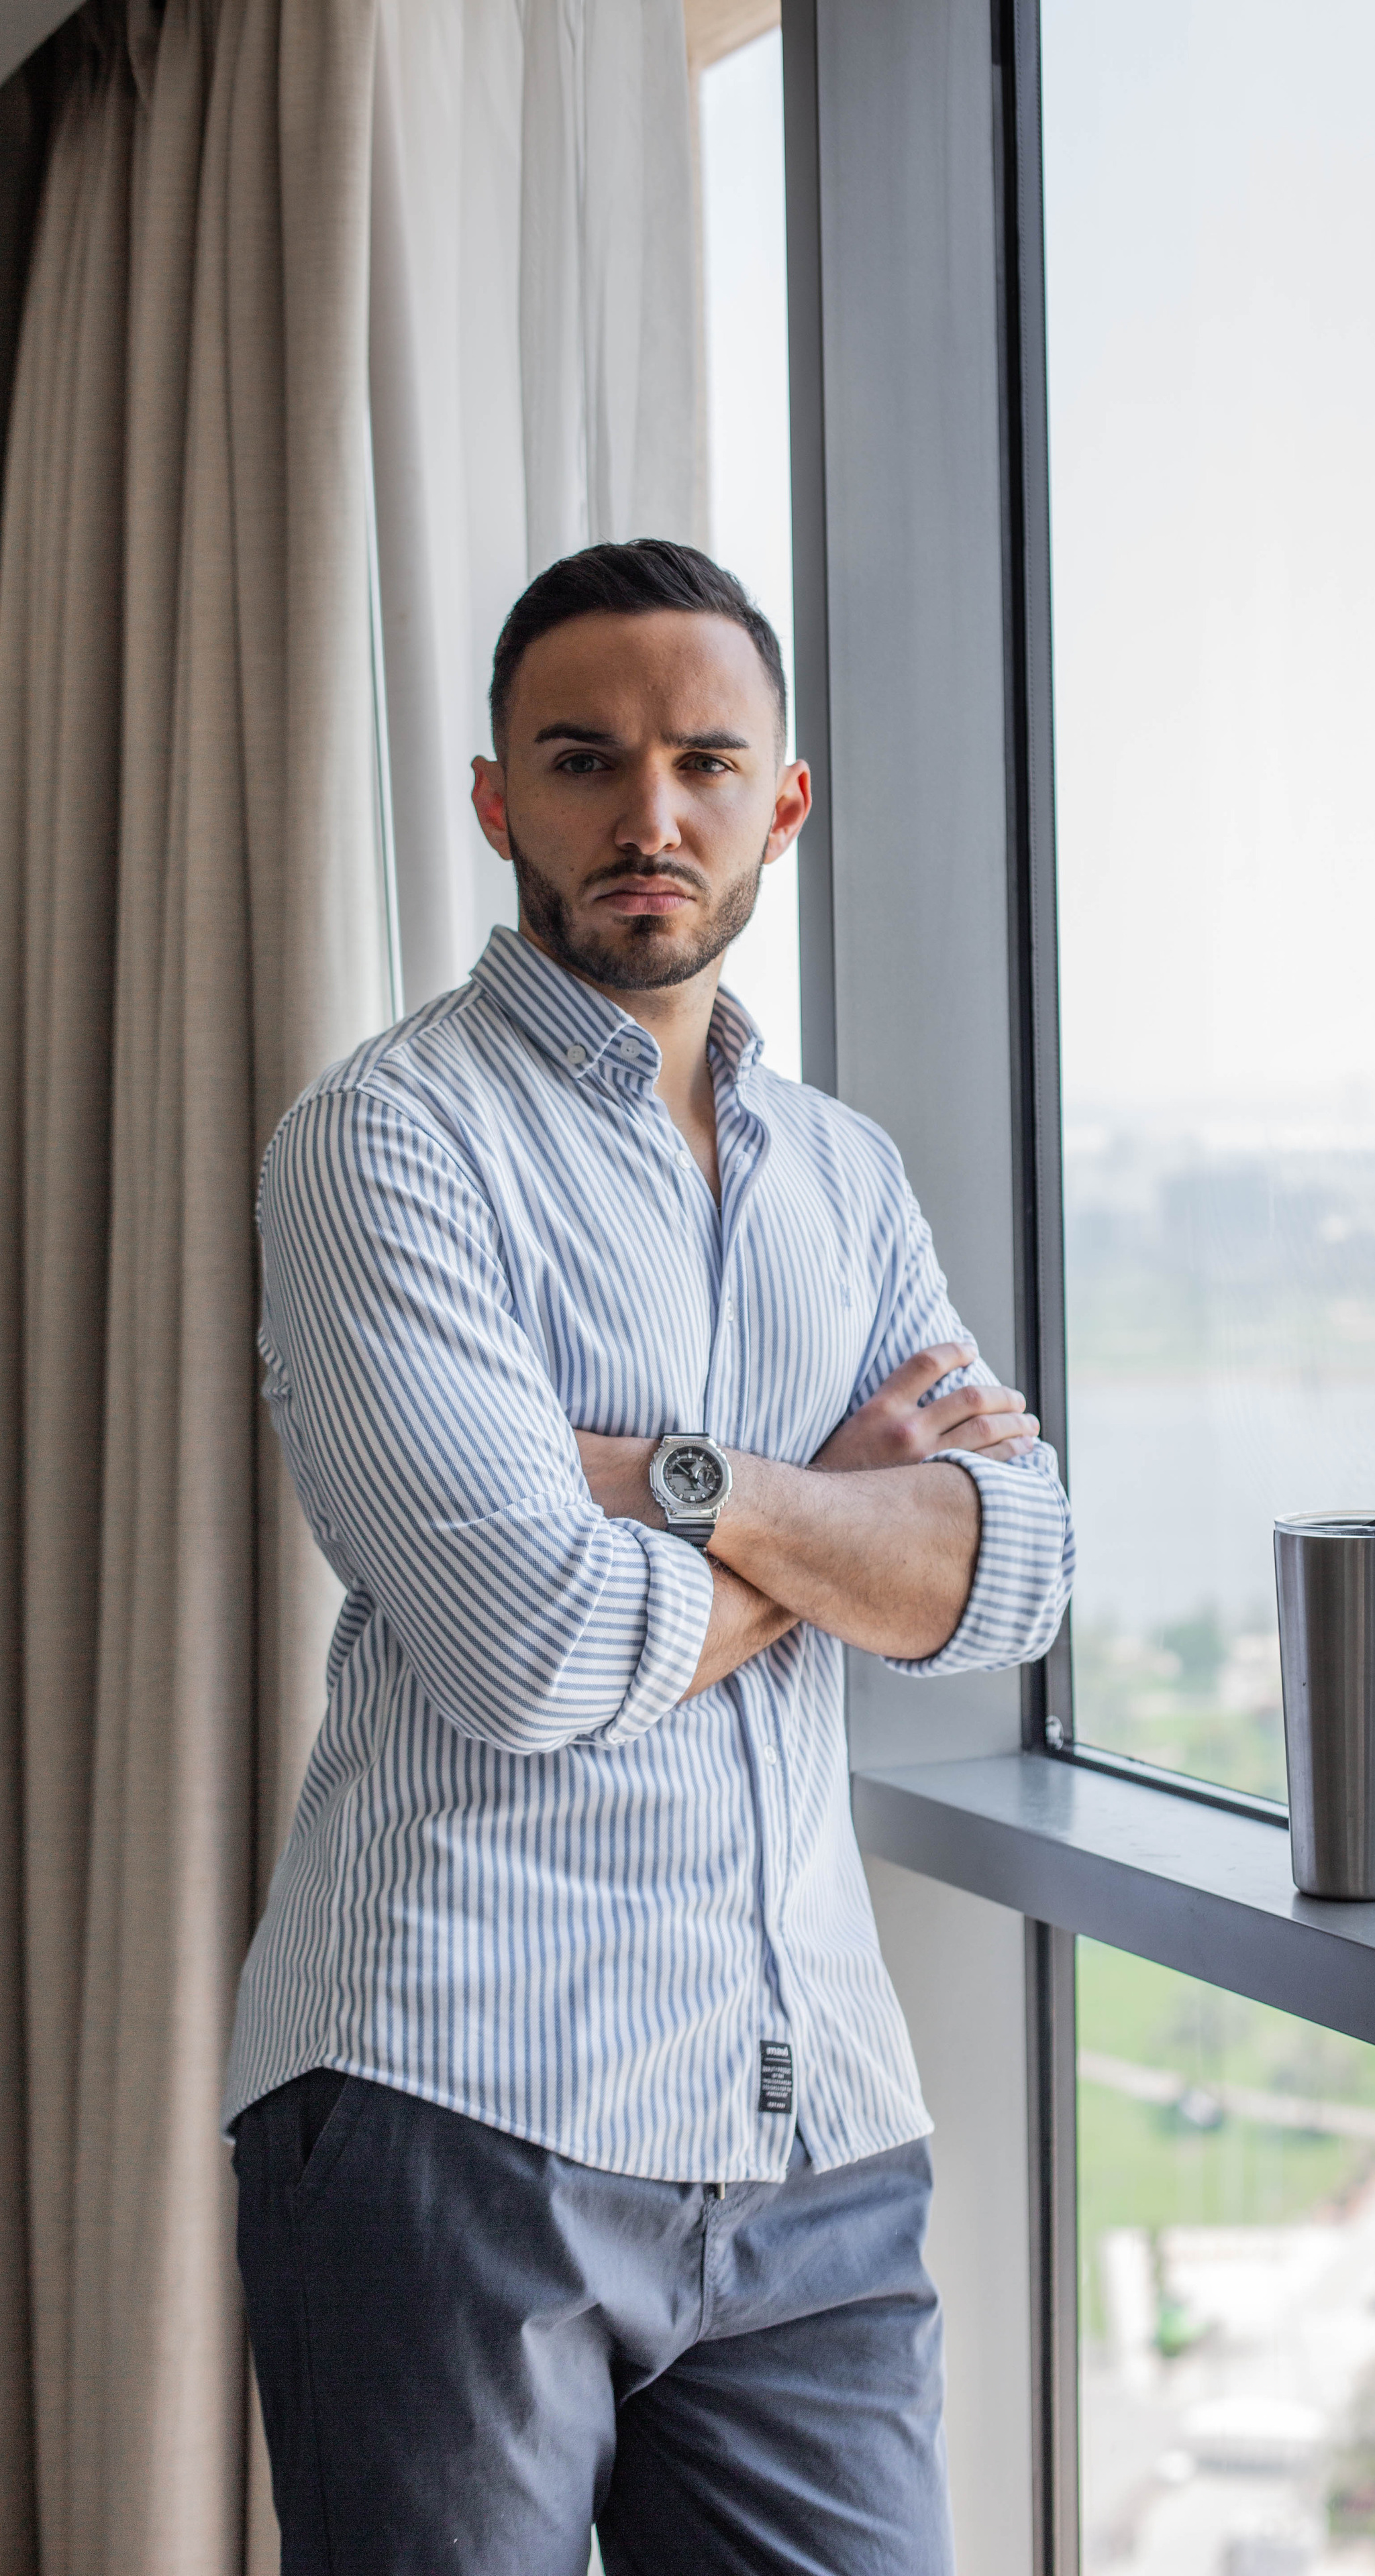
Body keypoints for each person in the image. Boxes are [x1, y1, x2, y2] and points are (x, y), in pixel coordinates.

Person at [225, 538, 1074, 2575]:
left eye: (706, 761)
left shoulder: (847, 1175)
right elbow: (531, 1648)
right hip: (455, 2102)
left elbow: (1015, 1572)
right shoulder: (388, 1142)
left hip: (816, 2140)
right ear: (500, 799)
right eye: (586, 761)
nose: (650, 813)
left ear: (784, 801)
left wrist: (682, 1486)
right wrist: (839, 1503)